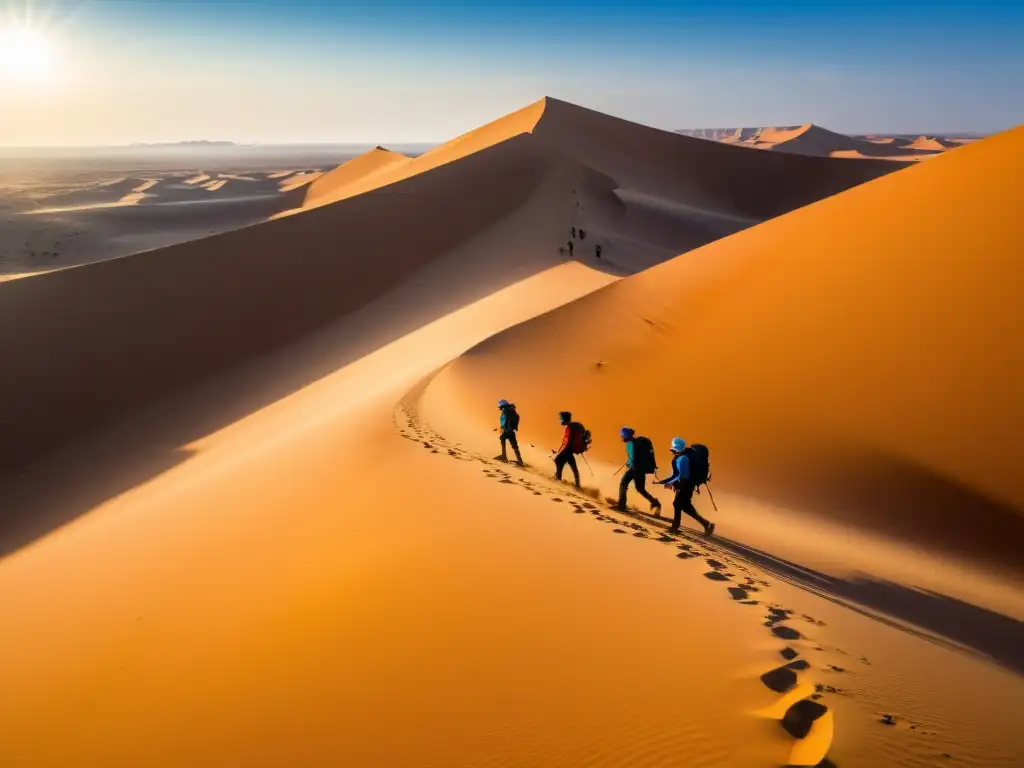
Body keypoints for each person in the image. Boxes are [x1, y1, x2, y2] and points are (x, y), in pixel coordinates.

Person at [657, 437, 715, 535]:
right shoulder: (683, 456)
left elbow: (682, 476)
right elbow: (677, 473)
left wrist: (669, 482)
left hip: (686, 485)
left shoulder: (682, 458)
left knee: (677, 504)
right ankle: (706, 524)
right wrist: (671, 482)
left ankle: (675, 526)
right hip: (687, 484)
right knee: (684, 506)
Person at [613, 427, 661, 514]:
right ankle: (654, 502)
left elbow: (633, 458)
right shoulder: (639, 442)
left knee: (623, 483)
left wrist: (629, 464)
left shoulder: (630, 444)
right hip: (641, 469)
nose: (622, 438)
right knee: (640, 488)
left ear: (625, 436)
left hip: (635, 468)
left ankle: (621, 505)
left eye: (623, 436)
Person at [552, 411, 583, 487]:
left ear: (564, 419)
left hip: (567, 450)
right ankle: (577, 484)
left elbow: (567, 442)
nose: (560, 420)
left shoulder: (570, 428)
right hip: (569, 450)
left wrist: (560, 452)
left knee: (558, 461)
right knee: (572, 466)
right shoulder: (572, 427)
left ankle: (558, 479)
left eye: (561, 418)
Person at [495, 399, 523, 465]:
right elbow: (517, 417)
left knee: (502, 438)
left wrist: (503, 427)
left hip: (507, 430)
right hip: (512, 431)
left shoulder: (505, 411)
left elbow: (506, 419)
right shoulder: (512, 411)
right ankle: (520, 461)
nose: (500, 408)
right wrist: (515, 427)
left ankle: (503, 455)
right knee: (514, 445)